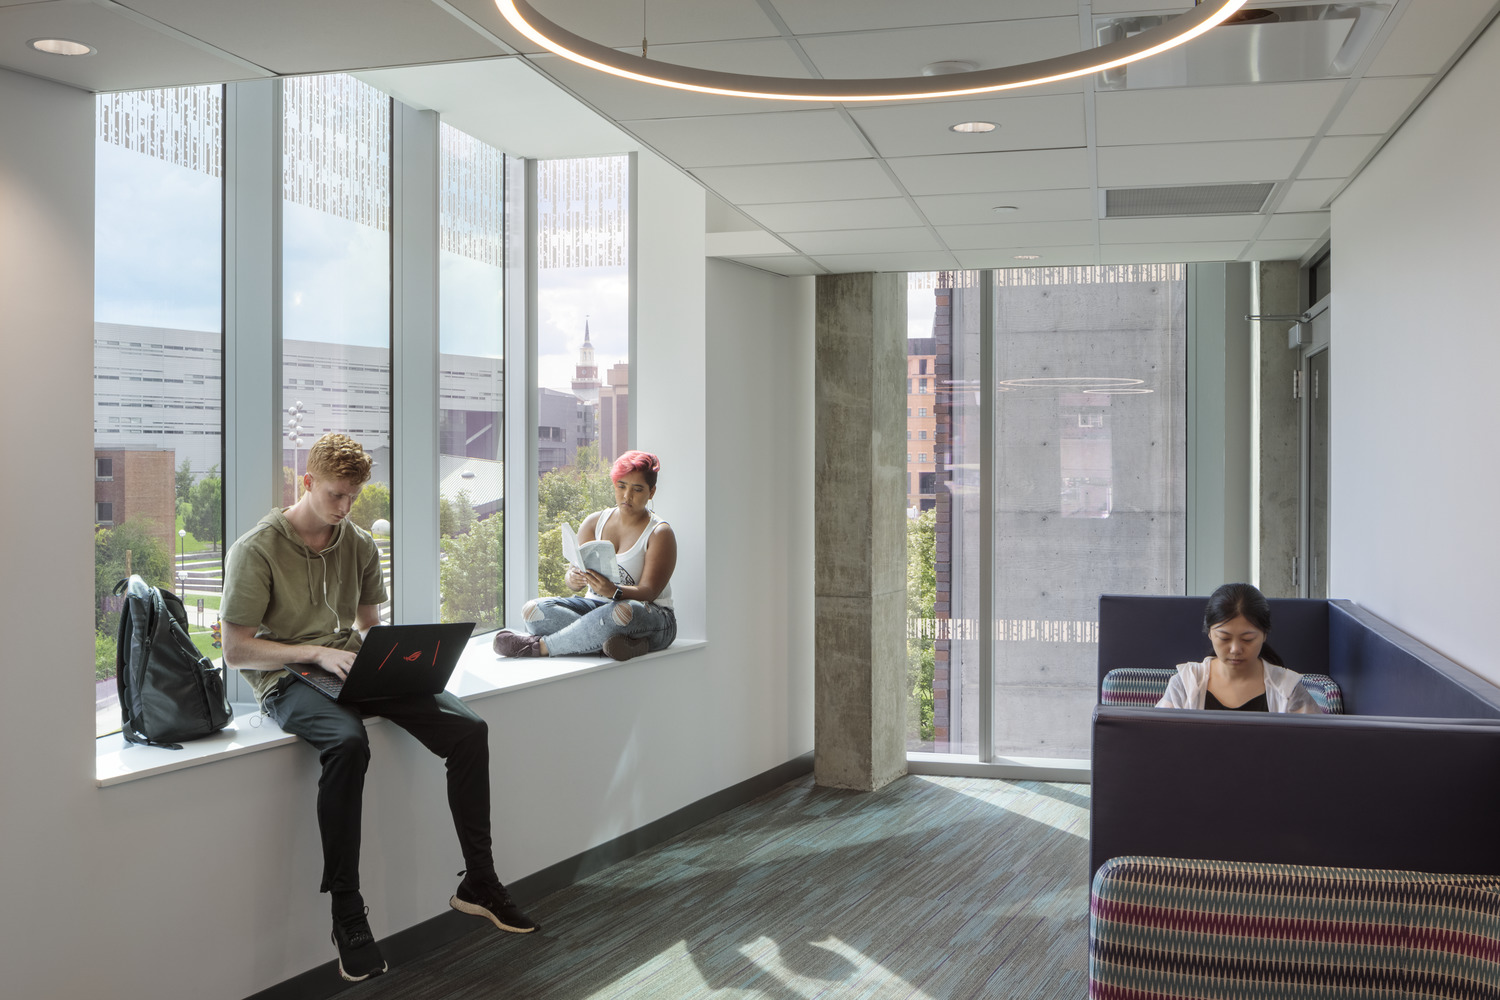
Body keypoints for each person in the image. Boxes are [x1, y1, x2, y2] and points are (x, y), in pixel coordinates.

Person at [220, 433, 538, 983]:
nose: (344, 508)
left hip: (349, 663)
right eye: (335, 495)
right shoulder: (257, 548)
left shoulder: (359, 543)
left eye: (353, 498)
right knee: (348, 744)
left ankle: (479, 881)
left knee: (469, 729)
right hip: (286, 677)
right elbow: (235, 648)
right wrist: (315, 651)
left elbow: (368, 627)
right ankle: (347, 910)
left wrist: (400, 660)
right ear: (308, 482)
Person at [494, 449, 677, 661]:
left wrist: (614, 592)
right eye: (621, 486)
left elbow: (649, 592)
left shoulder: (659, 532)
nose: (627, 496)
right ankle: (620, 645)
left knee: (622, 613)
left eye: (637, 489)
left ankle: (538, 647)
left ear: (651, 492)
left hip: (651, 618)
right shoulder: (594, 522)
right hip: (597, 610)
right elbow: (573, 583)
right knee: (534, 611)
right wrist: (573, 578)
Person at [1156, 582, 1319, 713]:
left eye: (1247, 639)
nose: (1235, 649)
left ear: (1264, 635)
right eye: (1224, 638)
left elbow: (1315, 745)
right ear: (1210, 633)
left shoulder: (1287, 690)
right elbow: (1158, 740)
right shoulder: (1186, 684)